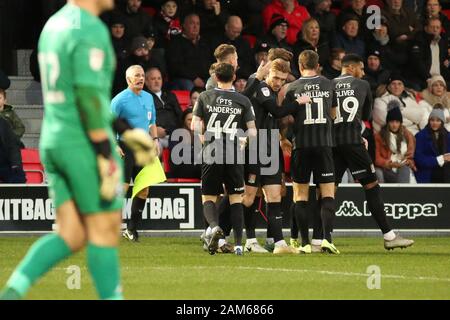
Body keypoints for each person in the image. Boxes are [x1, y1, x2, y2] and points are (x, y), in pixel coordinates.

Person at [0, 0, 155, 300]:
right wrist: (102, 151)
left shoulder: (53, 26)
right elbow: (87, 98)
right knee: (105, 229)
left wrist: (123, 130)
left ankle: (10, 293)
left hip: (55, 139)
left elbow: (77, 94)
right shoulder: (90, 28)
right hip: (82, 142)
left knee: (71, 234)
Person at [331, 54, 414, 251]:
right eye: (361, 68)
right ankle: (389, 236)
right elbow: (367, 115)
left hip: (332, 143)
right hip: (352, 142)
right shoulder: (362, 85)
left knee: (328, 191)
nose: (364, 72)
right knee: (371, 186)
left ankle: (322, 238)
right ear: (351, 68)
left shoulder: (329, 84)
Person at [243, 59, 310, 254]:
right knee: (250, 196)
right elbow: (277, 111)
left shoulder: (271, 91)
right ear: (267, 74)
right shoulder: (261, 88)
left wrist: (281, 139)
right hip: (256, 147)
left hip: (270, 146)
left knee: (274, 195)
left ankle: (279, 243)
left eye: (282, 79)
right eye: (275, 77)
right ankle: (249, 239)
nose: (278, 82)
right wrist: (298, 102)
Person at [192, 62, 257, 256]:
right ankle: (238, 245)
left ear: (215, 78)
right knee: (236, 198)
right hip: (234, 154)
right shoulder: (243, 100)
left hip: (211, 151)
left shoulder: (204, 96)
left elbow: (195, 125)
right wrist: (244, 141)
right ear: (234, 78)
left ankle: (213, 227)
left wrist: (203, 139)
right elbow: (252, 131)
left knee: (209, 196)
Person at [282, 50, 338, 253]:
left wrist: (284, 138)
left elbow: (287, 118)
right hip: (324, 145)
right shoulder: (328, 84)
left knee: (300, 195)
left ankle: (305, 242)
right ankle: (326, 239)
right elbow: (333, 114)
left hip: (301, 146)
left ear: (299, 65)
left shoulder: (292, 87)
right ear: (318, 64)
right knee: (327, 193)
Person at [112, 65, 159, 242]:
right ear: (128, 79)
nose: (140, 78)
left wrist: (155, 140)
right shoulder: (119, 100)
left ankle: (131, 229)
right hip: (124, 147)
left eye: (142, 75)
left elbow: (152, 121)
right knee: (122, 189)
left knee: (144, 189)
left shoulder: (148, 97)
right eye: (136, 76)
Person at [167, 13, 213, 90]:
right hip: (185, 80)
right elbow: (176, 67)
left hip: (205, 78)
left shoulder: (205, 42)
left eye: (198, 24)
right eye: (192, 23)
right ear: (184, 25)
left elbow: (211, 61)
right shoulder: (176, 42)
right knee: (188, 85)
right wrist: (194, 78)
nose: (195, 27)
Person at [374, 102, 417, 183]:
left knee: (404, 169)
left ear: (400, 123)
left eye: (397, 122)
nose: (394, 125)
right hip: (387, 168)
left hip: (404, 166)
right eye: (392, 122)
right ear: (388, 123)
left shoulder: (408, 135)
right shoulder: (379, 136)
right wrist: (390, 164)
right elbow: (377, 158)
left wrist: (408, 161)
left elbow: (410, 156)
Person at [145, 67, 182, 149]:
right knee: (154, 148)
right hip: (156, 137)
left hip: (174, 134)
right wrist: (153, 131)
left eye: (159, 78)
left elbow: (180, 117)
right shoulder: (144, 98)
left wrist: (168, 131)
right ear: (146, 82)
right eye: (153, 79)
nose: (157, 81)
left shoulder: (170, 96)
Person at [410, 17, 450, 90]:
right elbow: (417, 63)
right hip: (423, 78)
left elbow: (445, 59)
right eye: (432, 27)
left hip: (439, 77)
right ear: (426, 28)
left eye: (438, 27)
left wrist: (447, 61)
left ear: (440, 29)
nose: (435, 30)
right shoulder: (419, 40)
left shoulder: (442, 42)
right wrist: (429, 78)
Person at [414, 106, 450, 182]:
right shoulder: (420, 136)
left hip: (445, 173)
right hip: (428, 174)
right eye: (432, 120)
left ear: (442, 122)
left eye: (438, 120)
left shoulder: (447, 135)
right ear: (429, 121)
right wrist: (440, 159)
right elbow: (419, 159)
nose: (435, 123)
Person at [169, 108, 201, 179]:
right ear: (183, 121)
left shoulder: (199, 134)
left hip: (195, 166)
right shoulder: (176, 134)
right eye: (189, 120)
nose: (192, 122)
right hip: (180, 167)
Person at [0, 116, 26, 183]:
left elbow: (12, 145)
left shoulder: (2, 122)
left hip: (5, 164)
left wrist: (15, 164)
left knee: (18, 178)